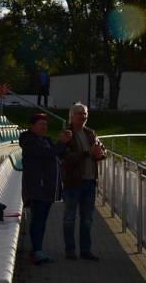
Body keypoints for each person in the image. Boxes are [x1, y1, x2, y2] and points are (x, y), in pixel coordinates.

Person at [20, 113, 71, 264]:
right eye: (41, 124)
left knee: (42, 221)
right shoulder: (29, 140)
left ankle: (37, 250)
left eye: (45, 125)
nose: (44, 127)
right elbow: (47, 153)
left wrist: (65, 143)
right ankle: (36, 251)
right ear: (32, 126)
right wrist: (60, 143)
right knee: (38, 220)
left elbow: (58, 154)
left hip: (47, 188)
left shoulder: (45, 140)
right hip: (37, 187)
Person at [61, 102, 106, 261]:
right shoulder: (66, 134)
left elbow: (100, 150)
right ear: (72, 116)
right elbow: (68, 158)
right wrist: (88, 152)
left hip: (89, 181)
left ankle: (85, 250)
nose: (83, 117)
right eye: (79, 114)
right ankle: (70, 250)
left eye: (85, 114)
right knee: (69, 217)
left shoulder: (90, 133)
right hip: (73, 182)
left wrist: (100, 153)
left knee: (87, 218)